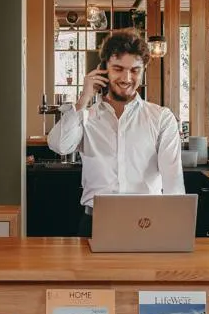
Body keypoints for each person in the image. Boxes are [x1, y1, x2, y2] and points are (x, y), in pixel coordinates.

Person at [48, 28, 184, 237]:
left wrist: (175, 233)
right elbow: (59, 145)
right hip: (96, 222)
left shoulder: (161, 118)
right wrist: (83, 99)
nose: (126, 78)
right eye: (118, 68)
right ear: (103, 70)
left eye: (135, 70)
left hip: (146, 223)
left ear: (143, 70)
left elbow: (173, 181)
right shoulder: (86, 116)